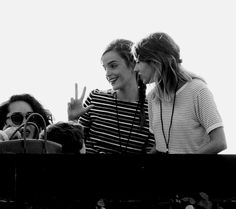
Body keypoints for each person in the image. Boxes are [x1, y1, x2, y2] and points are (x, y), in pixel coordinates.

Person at [132, 32, 227, 154]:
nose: (135, 69)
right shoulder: (152, 97)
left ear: (156, 61)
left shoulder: (198, 90)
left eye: (138, 62)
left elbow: (219, 142)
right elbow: (162, 144)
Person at [68, 39, 155, 154]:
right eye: (105, 68)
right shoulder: (95, 98)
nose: (107, 73)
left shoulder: (153, 109)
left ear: (133, 64)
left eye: (113, 66)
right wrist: (72, 120)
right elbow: (73, 145)